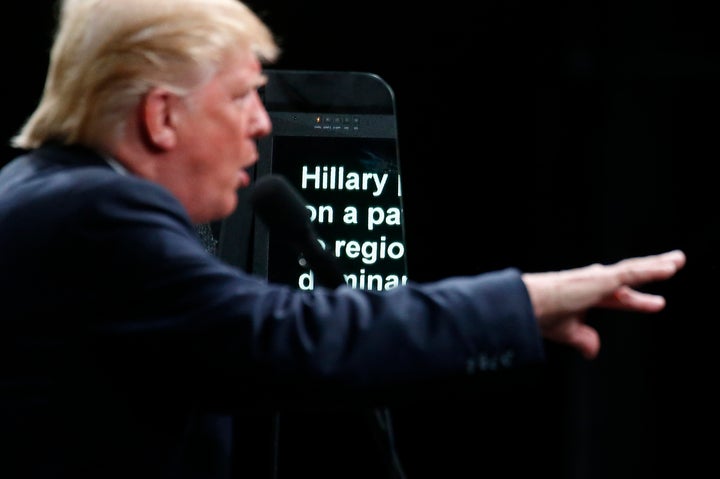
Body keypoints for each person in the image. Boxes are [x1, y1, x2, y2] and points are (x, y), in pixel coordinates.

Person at [0, 0, 686, 478]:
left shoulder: (40, 189)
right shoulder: (99, 217)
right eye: (242, 96)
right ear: (162, 115)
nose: (262, 124)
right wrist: (526, 299)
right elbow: (289, 337)